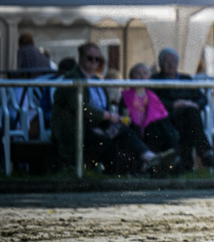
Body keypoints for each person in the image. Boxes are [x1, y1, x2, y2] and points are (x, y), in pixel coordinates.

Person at [51, 42, 174, 175]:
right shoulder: (72, 79)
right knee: (110, 145)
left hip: (100, 126)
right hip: (79, 129)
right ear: (81, 58)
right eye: (90, 58)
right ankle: (143, 168)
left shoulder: (97, 81)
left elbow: (105, 107)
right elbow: (81, 108)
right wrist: (109, 116)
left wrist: (113, 119)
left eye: (97, 59)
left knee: (127, 133)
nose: (94, 62)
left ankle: (150, 158)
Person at [150, 48, 214, 169]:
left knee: (191, 115)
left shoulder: (185, 79)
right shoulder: (155, 79)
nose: (171, 65)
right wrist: (174, 104)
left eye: (174, 61)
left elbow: (202, 98)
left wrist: (195, 104)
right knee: (191, 116)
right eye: (167, 62)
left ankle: (189, 162)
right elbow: (153, 99)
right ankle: (205, 153)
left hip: (187, 115)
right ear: (161, 64)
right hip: (168, 116)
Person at [121, 63, 182, 166]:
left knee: (164, 127)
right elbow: (123, 116)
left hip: (151, 129)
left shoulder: (152, 96)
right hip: (133, 127)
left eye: (145, 73)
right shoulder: (125, 96)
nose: (142, 76)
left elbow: (161, 114)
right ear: (131, 77)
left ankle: (172, 157)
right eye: (138, 73)